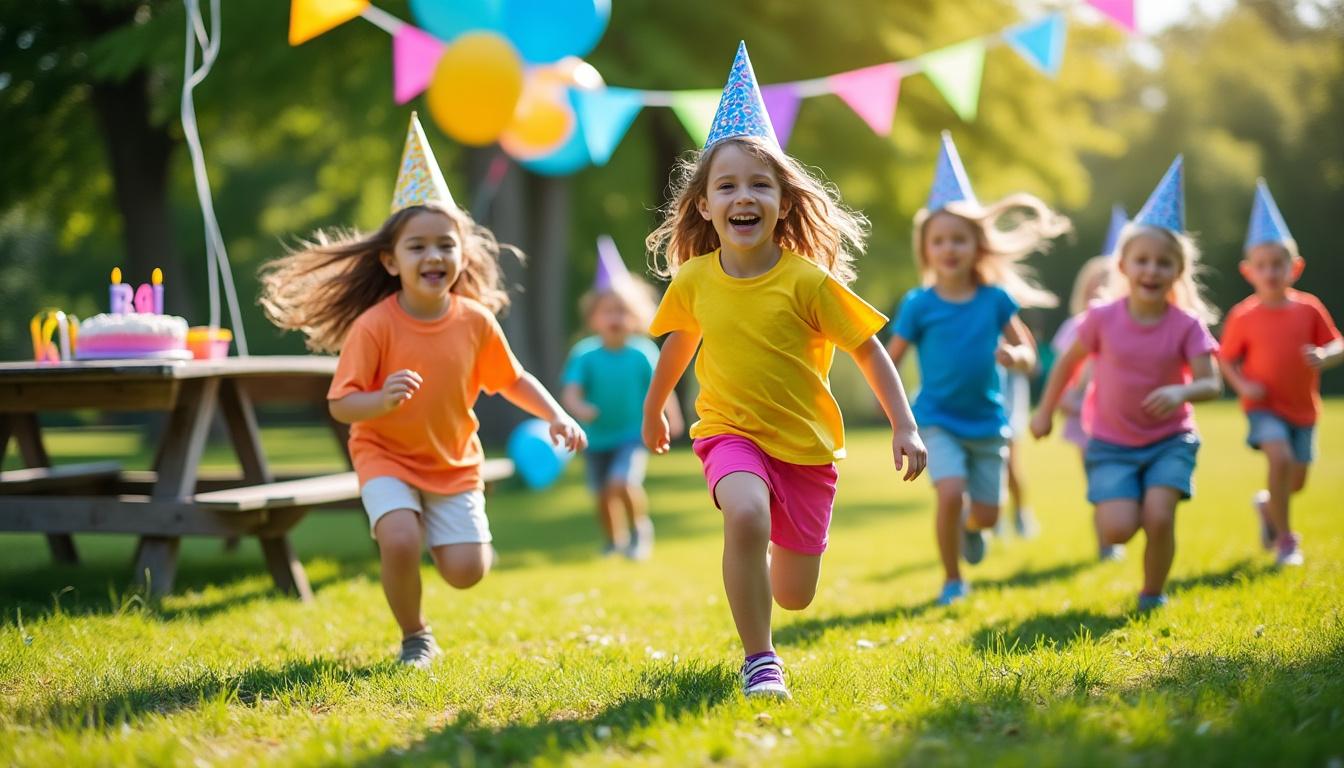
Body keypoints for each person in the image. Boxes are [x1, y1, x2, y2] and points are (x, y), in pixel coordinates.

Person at [641, 43, 926, 700]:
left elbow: (868, 349)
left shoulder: (808, 281)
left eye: (760, 184)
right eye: (728, 186)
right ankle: (759, 658)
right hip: (728, 430)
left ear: (783, 201)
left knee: (794, 592)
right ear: (706, 207)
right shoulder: (694, 280)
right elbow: (679, 345)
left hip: (804, 447)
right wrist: (657, 404)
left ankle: (767, 571)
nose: (745, 196)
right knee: (744, 514)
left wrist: (904, 425)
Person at [259, 113, 586, 667]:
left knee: (466, 572)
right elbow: (341, 404)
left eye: (445, 245)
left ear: (462, 255)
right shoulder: (375, 327)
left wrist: (555, 413)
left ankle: (455, 536)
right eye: (418, 247)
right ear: (391, 260)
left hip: (452, 461)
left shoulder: (475, 321)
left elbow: (512, 380)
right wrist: (381, 399)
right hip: (383, 453)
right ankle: (415, 635)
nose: (433, 256)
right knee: (400, 539)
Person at [886, 132, 1068, 606]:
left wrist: (1016, 358)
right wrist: (888, 403)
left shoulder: (994, 299)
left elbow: (1029, 354)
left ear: (977, 246)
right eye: (939, 241)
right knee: (949, 493)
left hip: (988, 422)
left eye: (959, 240)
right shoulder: (919, 304)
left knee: (986, 514)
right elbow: (891, 355)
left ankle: (974, 528)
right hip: (937, 418)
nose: (949, 249)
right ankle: (952, 579)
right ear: (926, 249)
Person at [1031, 156, 1220, 611]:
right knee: (1117, 528)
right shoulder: (1101, 319)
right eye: (1142, 261)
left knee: (1159, 515)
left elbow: (1211, 383)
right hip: (1112, 442)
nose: (1151, 271)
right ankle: (1124, 507)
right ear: (1123, 266)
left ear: (1177, 272)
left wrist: (1181, 391)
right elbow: (1064, 363)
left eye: (1163, 263)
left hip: (1169, 439)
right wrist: (1043, 410)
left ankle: (1152, 593)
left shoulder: (1186, 324)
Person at [1219, 179, 1342, 567]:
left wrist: (1324, 354)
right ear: (1248, 271)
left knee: (1297, 480)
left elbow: (1339, 343)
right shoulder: (1243, 315)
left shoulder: (1309, 308)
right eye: (1262, 265)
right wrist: (1242, 384)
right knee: (1280, 458)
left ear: (1295, 267)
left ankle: (1268, 508)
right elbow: (1225, 359)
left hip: (1304, 408)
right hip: (1263, 405)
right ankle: (1287, 540)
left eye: (1278, 264)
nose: (1270, 272)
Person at [561, 236, 684, 559]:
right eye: (607, 311)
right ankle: (613, 539)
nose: (614, 318)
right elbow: (571, 392)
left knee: (622, 482)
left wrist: (672, 418)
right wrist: (579, 408)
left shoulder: (642, 352)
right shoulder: (585, 354)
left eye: (622, 311)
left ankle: (639, 530)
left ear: (636, 316)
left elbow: (662, 386)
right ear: (593, 317)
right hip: (596, 437)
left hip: (632, 432)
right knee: (602, 495)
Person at [1051, 205, 1125, 561]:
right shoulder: (1075, 328)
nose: (1101, 295)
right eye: (1095, 288)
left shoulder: (1131, 327)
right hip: (1084, 418)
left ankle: (1117, 531)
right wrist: (1067, 401)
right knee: (1099, 481)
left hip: (1123, 416)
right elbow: (1062, 373)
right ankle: (1106, 544)